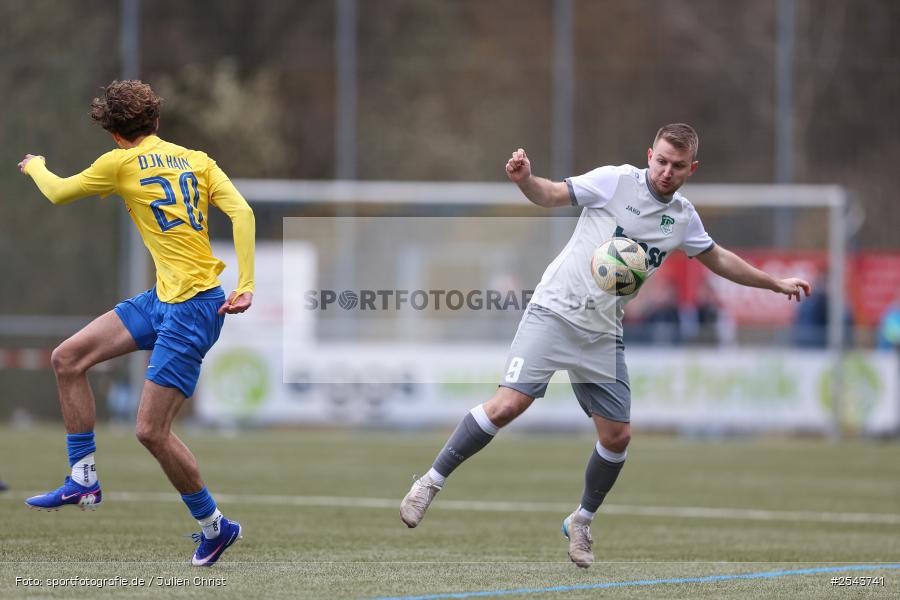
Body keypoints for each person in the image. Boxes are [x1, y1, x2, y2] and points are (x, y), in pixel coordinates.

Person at [399, 124, 810, 568]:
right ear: (649, 155)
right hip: (554, 312)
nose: (666, 172)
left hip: (602, 332)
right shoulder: (615, 181)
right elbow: (552, 194)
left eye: (677, 166)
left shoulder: (683, 218)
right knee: (507, 406)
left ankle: (581, 520)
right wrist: (525, 180)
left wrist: (774, 283)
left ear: (691, 169)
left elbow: (719, 258)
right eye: (661, 161)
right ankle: (429, 482)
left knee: (618, 437)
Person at [17, 80, 255, 567]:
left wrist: (34, 164)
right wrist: (246, 283)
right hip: (166, 299)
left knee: (150, 430)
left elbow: (58, 192)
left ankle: (215, 527)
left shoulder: (119, 163)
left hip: (192, 309)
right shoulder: (197, 160)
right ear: (156, 121)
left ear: (114, 134)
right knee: (68, 359)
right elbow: (242, 212)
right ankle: (83, 480)